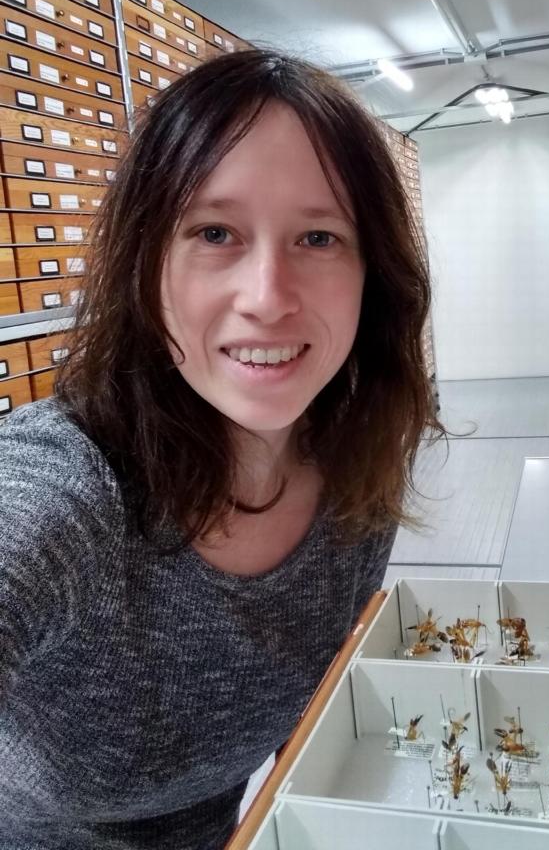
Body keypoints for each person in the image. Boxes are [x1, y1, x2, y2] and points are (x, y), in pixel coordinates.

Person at [0, 49, 443, 849]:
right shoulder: (69, 484)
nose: (268, 297)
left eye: (318, 236)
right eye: (214, 232)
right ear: (146, 263)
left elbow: (307, 739)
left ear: (374, 272)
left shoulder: (356, 471)